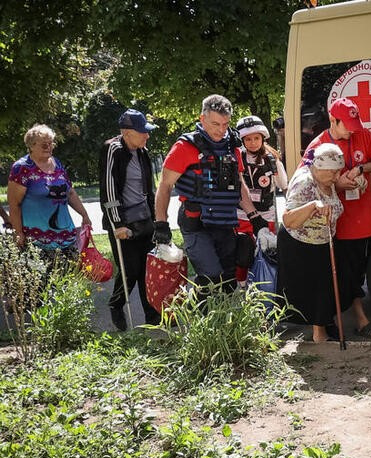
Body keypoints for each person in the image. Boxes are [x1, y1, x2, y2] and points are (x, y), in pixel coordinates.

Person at [297, 98, 371, 339]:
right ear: (333, 120)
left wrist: (363, 169)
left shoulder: (362, 135)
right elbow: (304, 181)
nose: (352, 129)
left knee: (355, 269)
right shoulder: (318, 145)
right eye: (347, 125)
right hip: (332, 223)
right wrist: (336, 183)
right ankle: (350, 321)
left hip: (361, 217)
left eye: (355, 124)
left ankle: (351, 320)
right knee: (337, 272)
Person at [153, 94, 267, 293]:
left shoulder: (232, 146)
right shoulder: (185, 146)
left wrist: (254, 216)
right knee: (210, 279)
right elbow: (164, 186)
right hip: (196, 221)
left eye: (225, 124)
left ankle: (226, 322)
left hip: (225, 221)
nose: (221, 130)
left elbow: (239, 184)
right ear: (202, 118)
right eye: (215, 124)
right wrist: (161, 224)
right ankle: (203, 318)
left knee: (229, 279)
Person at [277, 143, 348, 342]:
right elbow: (288, 220)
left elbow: (333, 189)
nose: (336, 177)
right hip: (301, 244)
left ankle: (323, 330)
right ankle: (319, 336)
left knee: (325, 289)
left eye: (338, 172)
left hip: (323, 241)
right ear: (318, 168)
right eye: (333, 173)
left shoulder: (326, 178)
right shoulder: (304, 182)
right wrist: (313, 206)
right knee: (317, 290)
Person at [99, 109, 161, 331]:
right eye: (142, 132)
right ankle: (116, 305)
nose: (147, 136)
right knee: (130, 270)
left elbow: (149, 189)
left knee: (148, 269)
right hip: (124, 222)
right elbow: (109, 189)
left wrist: (157, 219)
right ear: (126, 133)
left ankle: (152, 315)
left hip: (144, 219)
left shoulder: (142, 151)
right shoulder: (113, 150)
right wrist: (117, 224)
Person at [7, 124, 91, 262]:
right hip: (36, 240)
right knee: (43, 282)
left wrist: (84, 215)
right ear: (31, 146)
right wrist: (18, 233)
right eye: (44, 145)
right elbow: (14, 204)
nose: (49, 147)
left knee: (68, 280)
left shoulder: (57, 163)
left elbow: (70, 193)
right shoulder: (22, 168)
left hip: (66, 237)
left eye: (51, 143)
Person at [233, 115, 288, 283]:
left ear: (263, 137)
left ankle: (266, 285)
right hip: (243, 215)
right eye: (248, 139)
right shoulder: (236, 158)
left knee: (266, 252)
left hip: (267, 216)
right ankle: (242, 287)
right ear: (242, 140)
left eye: (256, 138)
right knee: (243, 253)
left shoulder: (271, 160)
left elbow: (284, 186)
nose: (252, 142)